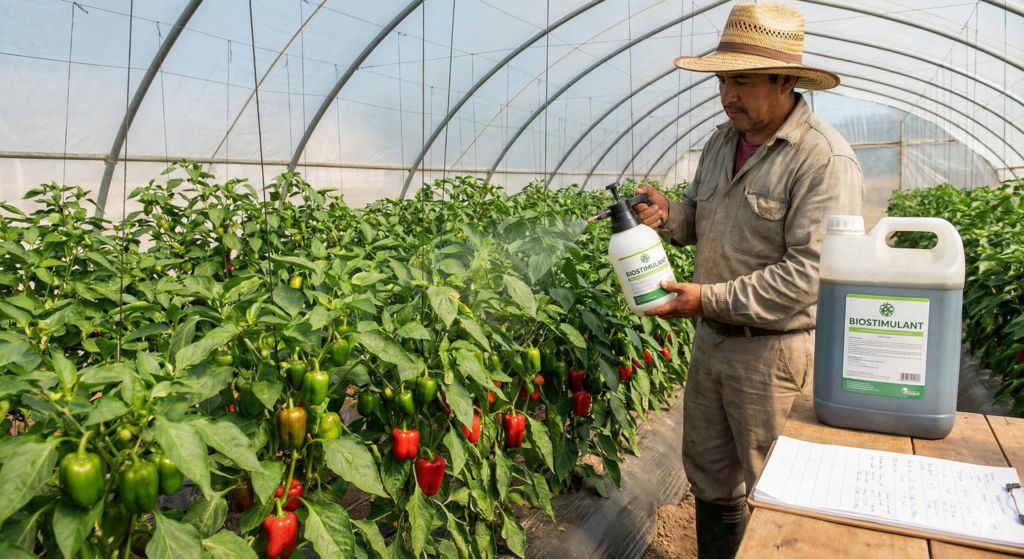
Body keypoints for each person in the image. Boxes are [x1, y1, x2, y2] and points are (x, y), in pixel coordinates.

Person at [633, 3, 864, 558]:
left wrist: (706, 298)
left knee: (780, 488)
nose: (726, 95)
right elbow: (699, 218)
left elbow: (810, 275)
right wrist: (668, 216)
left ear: (786, 80)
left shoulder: (822, 159)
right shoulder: (720, 142)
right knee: (711, 480)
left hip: (776, 356)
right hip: (712, 345)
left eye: (741, 81)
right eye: (722, 81)